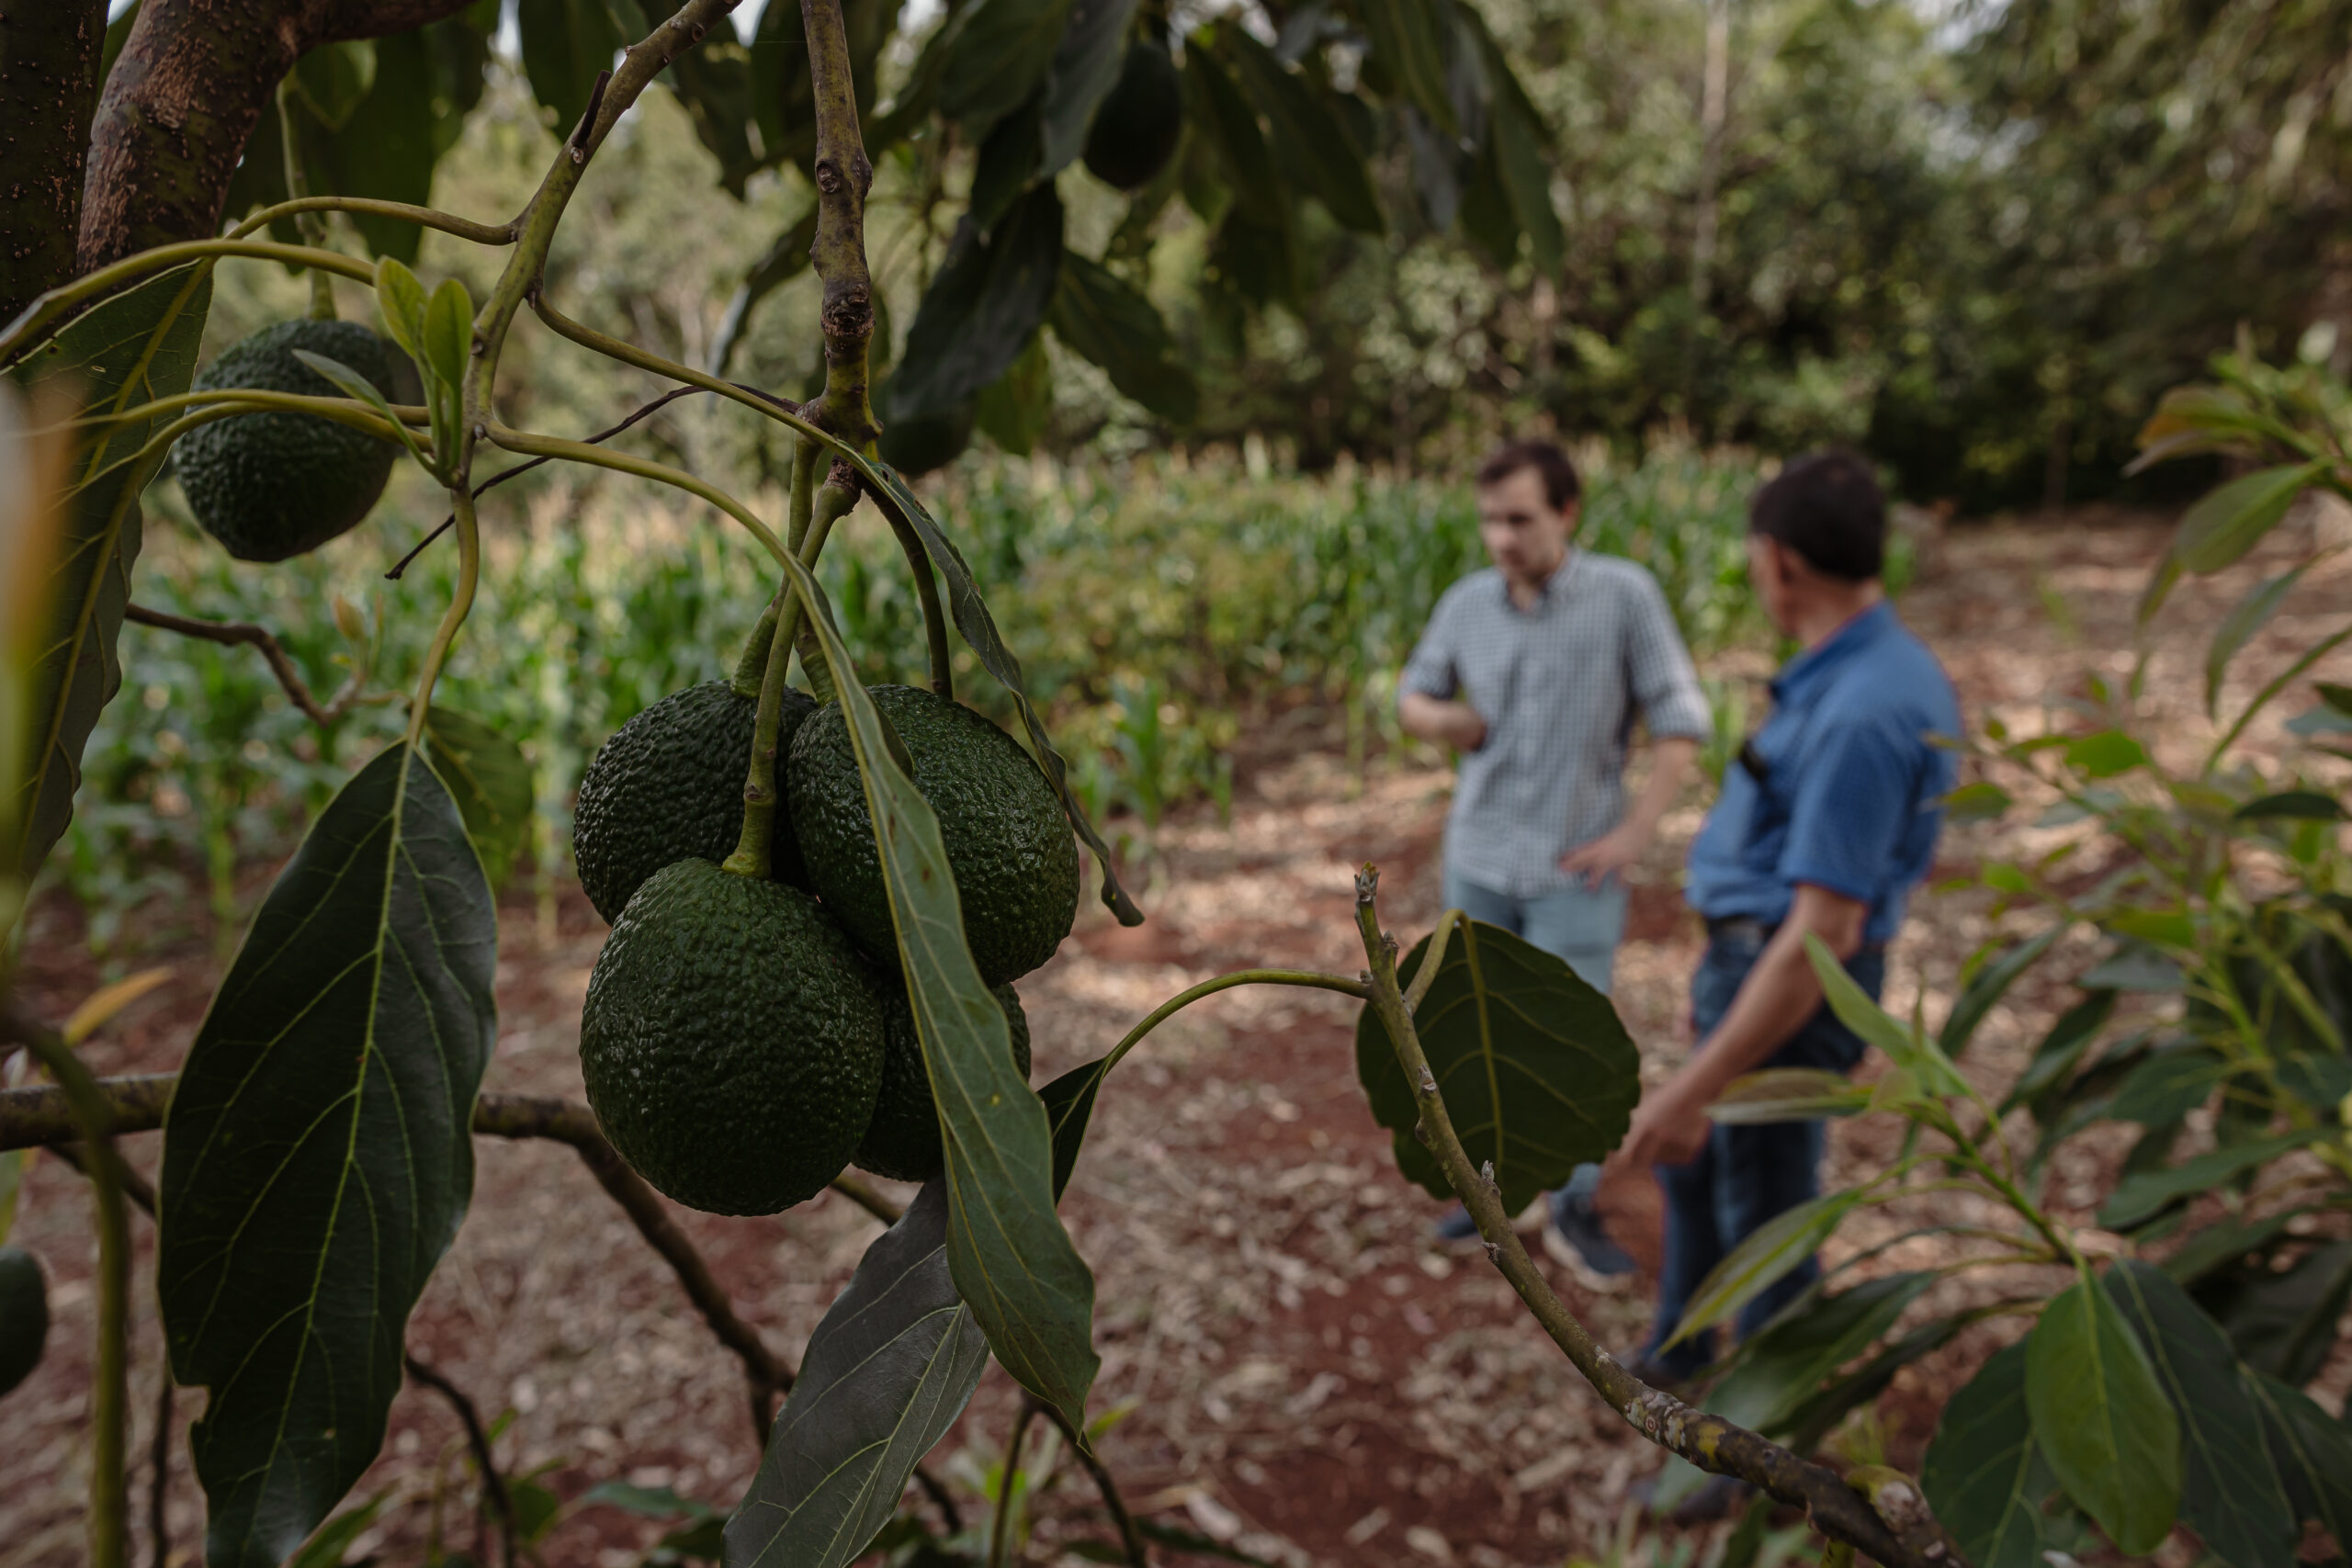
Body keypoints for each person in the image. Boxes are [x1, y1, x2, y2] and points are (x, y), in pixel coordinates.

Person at [1615, 449, 1961, 1386]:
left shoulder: (1863, 712)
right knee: (1700, 1173)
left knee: (1765, 1219)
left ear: (1780, 562)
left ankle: (1761, 1442)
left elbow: (1823, 939)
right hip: (1750, 967)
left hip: (1786, 985)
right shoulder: (1856, 670)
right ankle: (1676, 1361)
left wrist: (1695, 1083)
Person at [1398, 438, 1710, 1278]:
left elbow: (1681, 719)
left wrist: (1637, 832)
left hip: (1578, 866)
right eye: (1491, 520)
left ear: (1568, 513)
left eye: (1521, 519)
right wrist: (1445, 722)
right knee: (1475, 1031)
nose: (1502, 538)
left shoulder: (1624, 597)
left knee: (1571, 1039)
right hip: (1481, 855)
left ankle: (1573, 1205)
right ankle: (1494, 1192)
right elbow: (1412, 693)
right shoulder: (1467, 604)